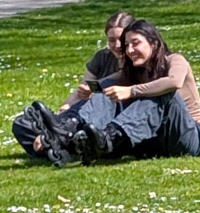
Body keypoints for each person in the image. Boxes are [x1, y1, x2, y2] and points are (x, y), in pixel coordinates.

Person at [36, 19, 200, 164]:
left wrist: (131, 91)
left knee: (162, 92)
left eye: (136, 43)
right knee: (107, 92)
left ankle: (108, 138)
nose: (130, 50)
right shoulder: (133, 71)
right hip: (155, 141)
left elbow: (174, 82)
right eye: (127, 45)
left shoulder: (175, 60)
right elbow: (101, 85)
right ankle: (67, 133)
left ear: (153, 43)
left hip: (189, 137)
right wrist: (87, 93)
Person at [11, 11, 135, 158]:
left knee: (94, 108)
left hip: (102, 117)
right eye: (111, 40)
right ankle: (60, 145)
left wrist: (93, 92)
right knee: (22, 124)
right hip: (80, 112)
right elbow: (83, 89)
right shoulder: (102, 57)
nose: (117, 45)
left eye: (121, 40)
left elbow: (112, 85)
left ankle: (57, 143)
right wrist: (67, 106)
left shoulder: (135, 60)